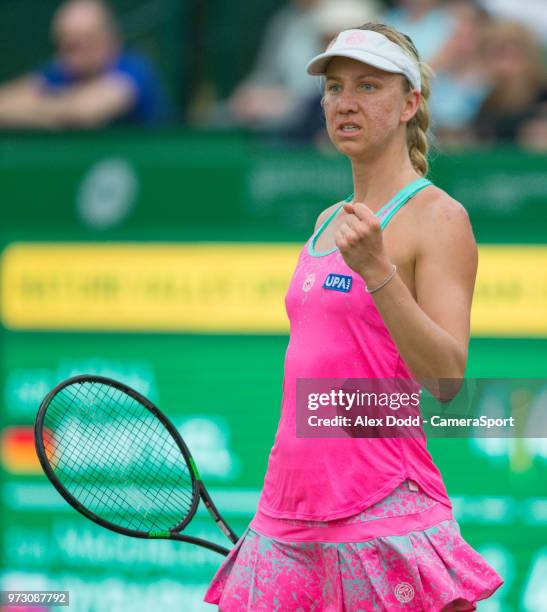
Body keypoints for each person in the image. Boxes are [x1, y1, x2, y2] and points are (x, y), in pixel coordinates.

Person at [204, 22, 504, 611]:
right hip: (286, 516)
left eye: (368, 87)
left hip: (382, 511)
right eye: (335, 88)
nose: (345, 102)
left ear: (409, 103)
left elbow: (446, 382)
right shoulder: (325, 221)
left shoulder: (440, 218)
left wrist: (378, 272)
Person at [0, 0, 170, 129]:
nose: (75, 53)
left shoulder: (134, 69)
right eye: (67, 44)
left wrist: (39, 104)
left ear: (110, 38)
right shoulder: (60, 72)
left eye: (86, 41)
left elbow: (83, 112)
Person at [474, 20, 547, 146]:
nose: (508, 65)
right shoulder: (488, 102)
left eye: (516, 55)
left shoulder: (542, 95)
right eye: (500, 55)